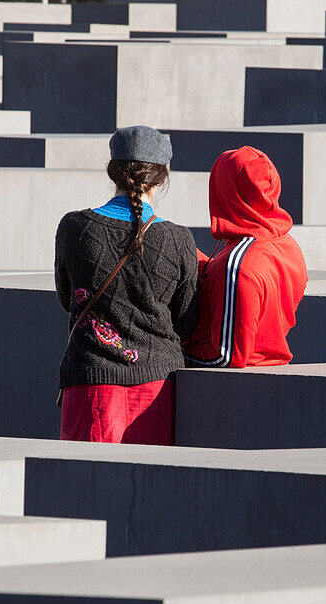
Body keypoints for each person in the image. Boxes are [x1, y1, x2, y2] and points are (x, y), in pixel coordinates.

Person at [55, 126, 199, 445]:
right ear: (161, 177)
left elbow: (67, 298)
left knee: (86, 486)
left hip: (91, 382)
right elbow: (187, 322)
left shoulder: (74, 227)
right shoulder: (178, 239)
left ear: (112, 170)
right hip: (159, 387)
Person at [183, 146, 307, 368]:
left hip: (231, 391)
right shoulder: (287, 245)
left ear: (225, 190)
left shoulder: (239, 264)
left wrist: (167, 352)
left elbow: (226, 356)